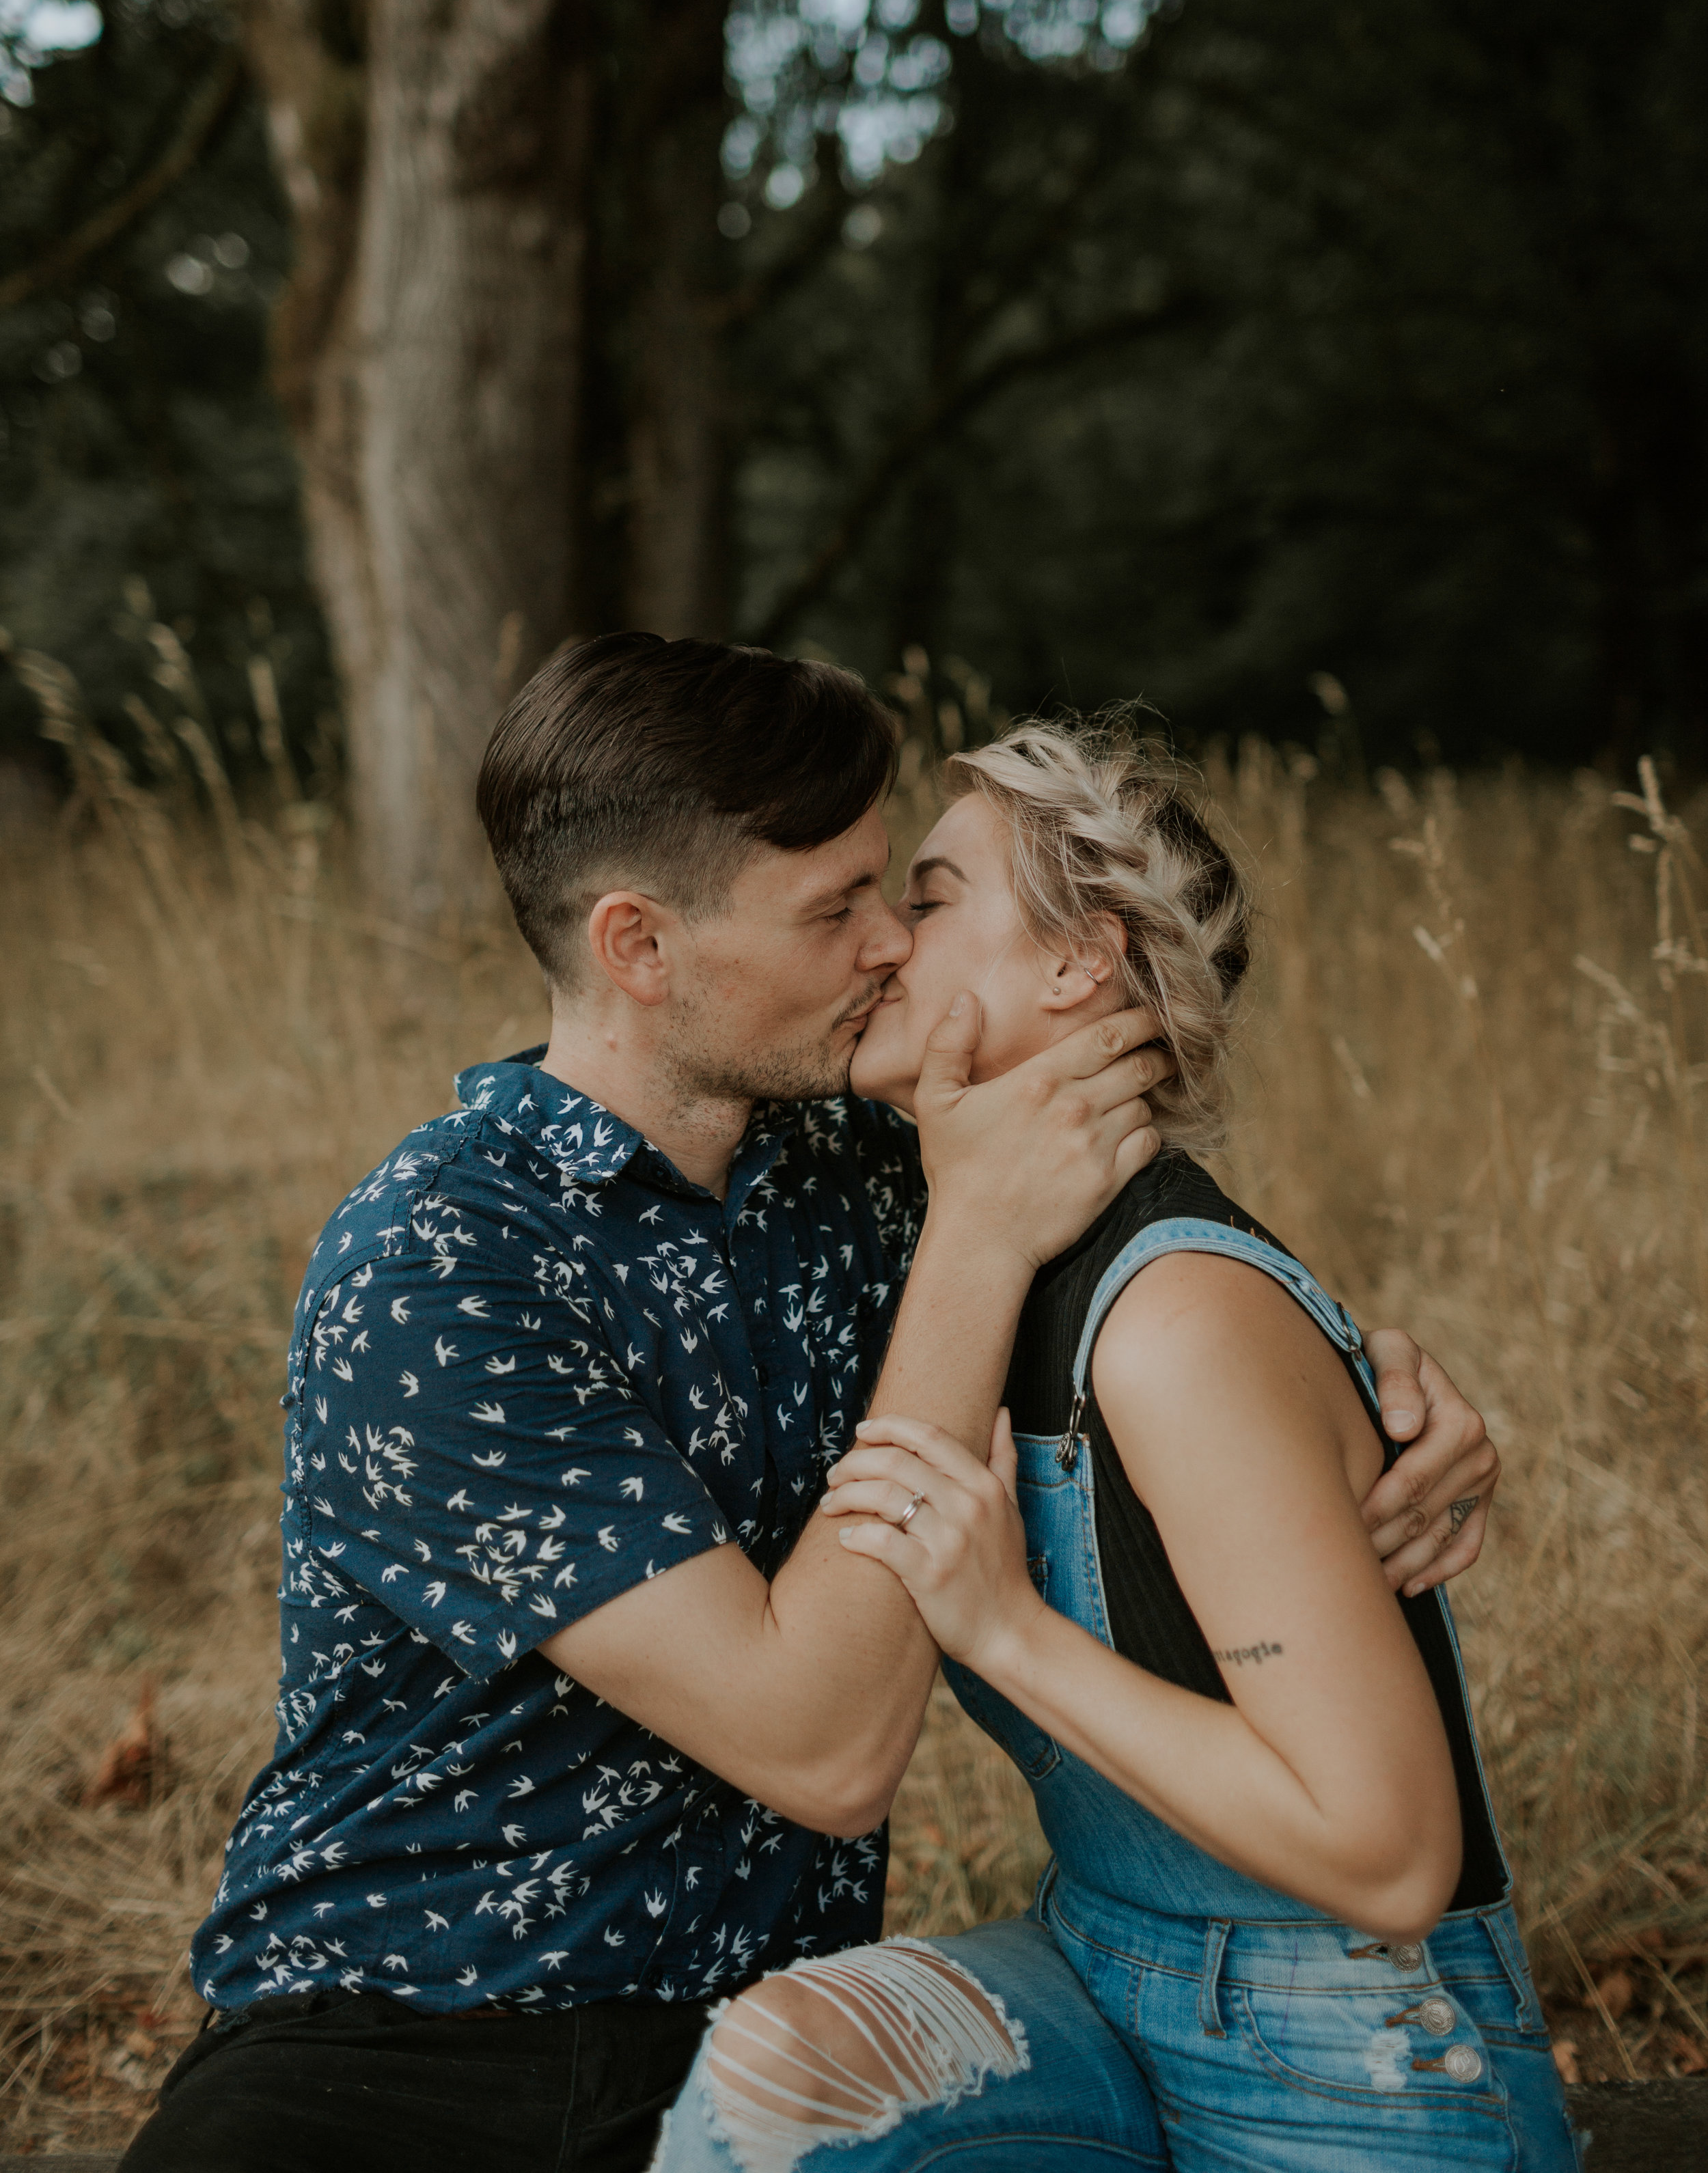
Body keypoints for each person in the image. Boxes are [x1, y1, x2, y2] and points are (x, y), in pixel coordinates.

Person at [120, 640, 1498, 2173]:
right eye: (836, 909)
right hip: (404, 2036)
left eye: (897, 893)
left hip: (754, 2051)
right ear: (638, 946)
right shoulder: (441, 1263)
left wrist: (1373, 1388)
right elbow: (823, 1752)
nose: (886, 949)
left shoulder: (866, 1174)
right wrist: (972, 1241)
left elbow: (1161, 1311)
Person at [652, 716, 1575, 2173]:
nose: (887, 940)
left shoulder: (1171, 1322)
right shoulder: (968, 1246)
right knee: (784, 2075)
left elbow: (1389, 1857)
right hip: (1098, 1964)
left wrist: (1007, 1630)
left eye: (936, 896)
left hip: (1349, 2064)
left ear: (1079, 960)